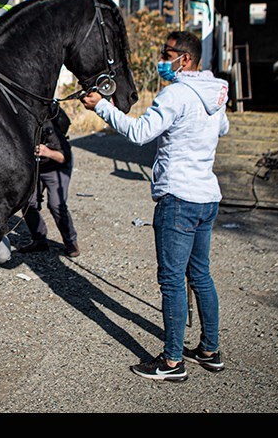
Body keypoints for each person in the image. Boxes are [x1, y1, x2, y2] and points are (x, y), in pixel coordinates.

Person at [81, 31, 229, 382]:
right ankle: (209, 349)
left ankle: (173, 361)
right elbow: (221, 128)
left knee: (173, 281)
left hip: (178, 197)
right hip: (207, 196)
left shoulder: (175, 94)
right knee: (201, 276)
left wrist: (102, 107)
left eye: (168, 54)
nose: (163, 59)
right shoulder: (216, 92)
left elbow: (139, 133)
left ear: (186, 59)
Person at [18, 110, 80, 257]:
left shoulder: (51, 130)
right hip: (37, 169)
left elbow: (64, 157)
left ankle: (71, 242)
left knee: (56, 204)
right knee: (28, 203)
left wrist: (47, 152)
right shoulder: (24, 128)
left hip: (57, 168)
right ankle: (39, 240)